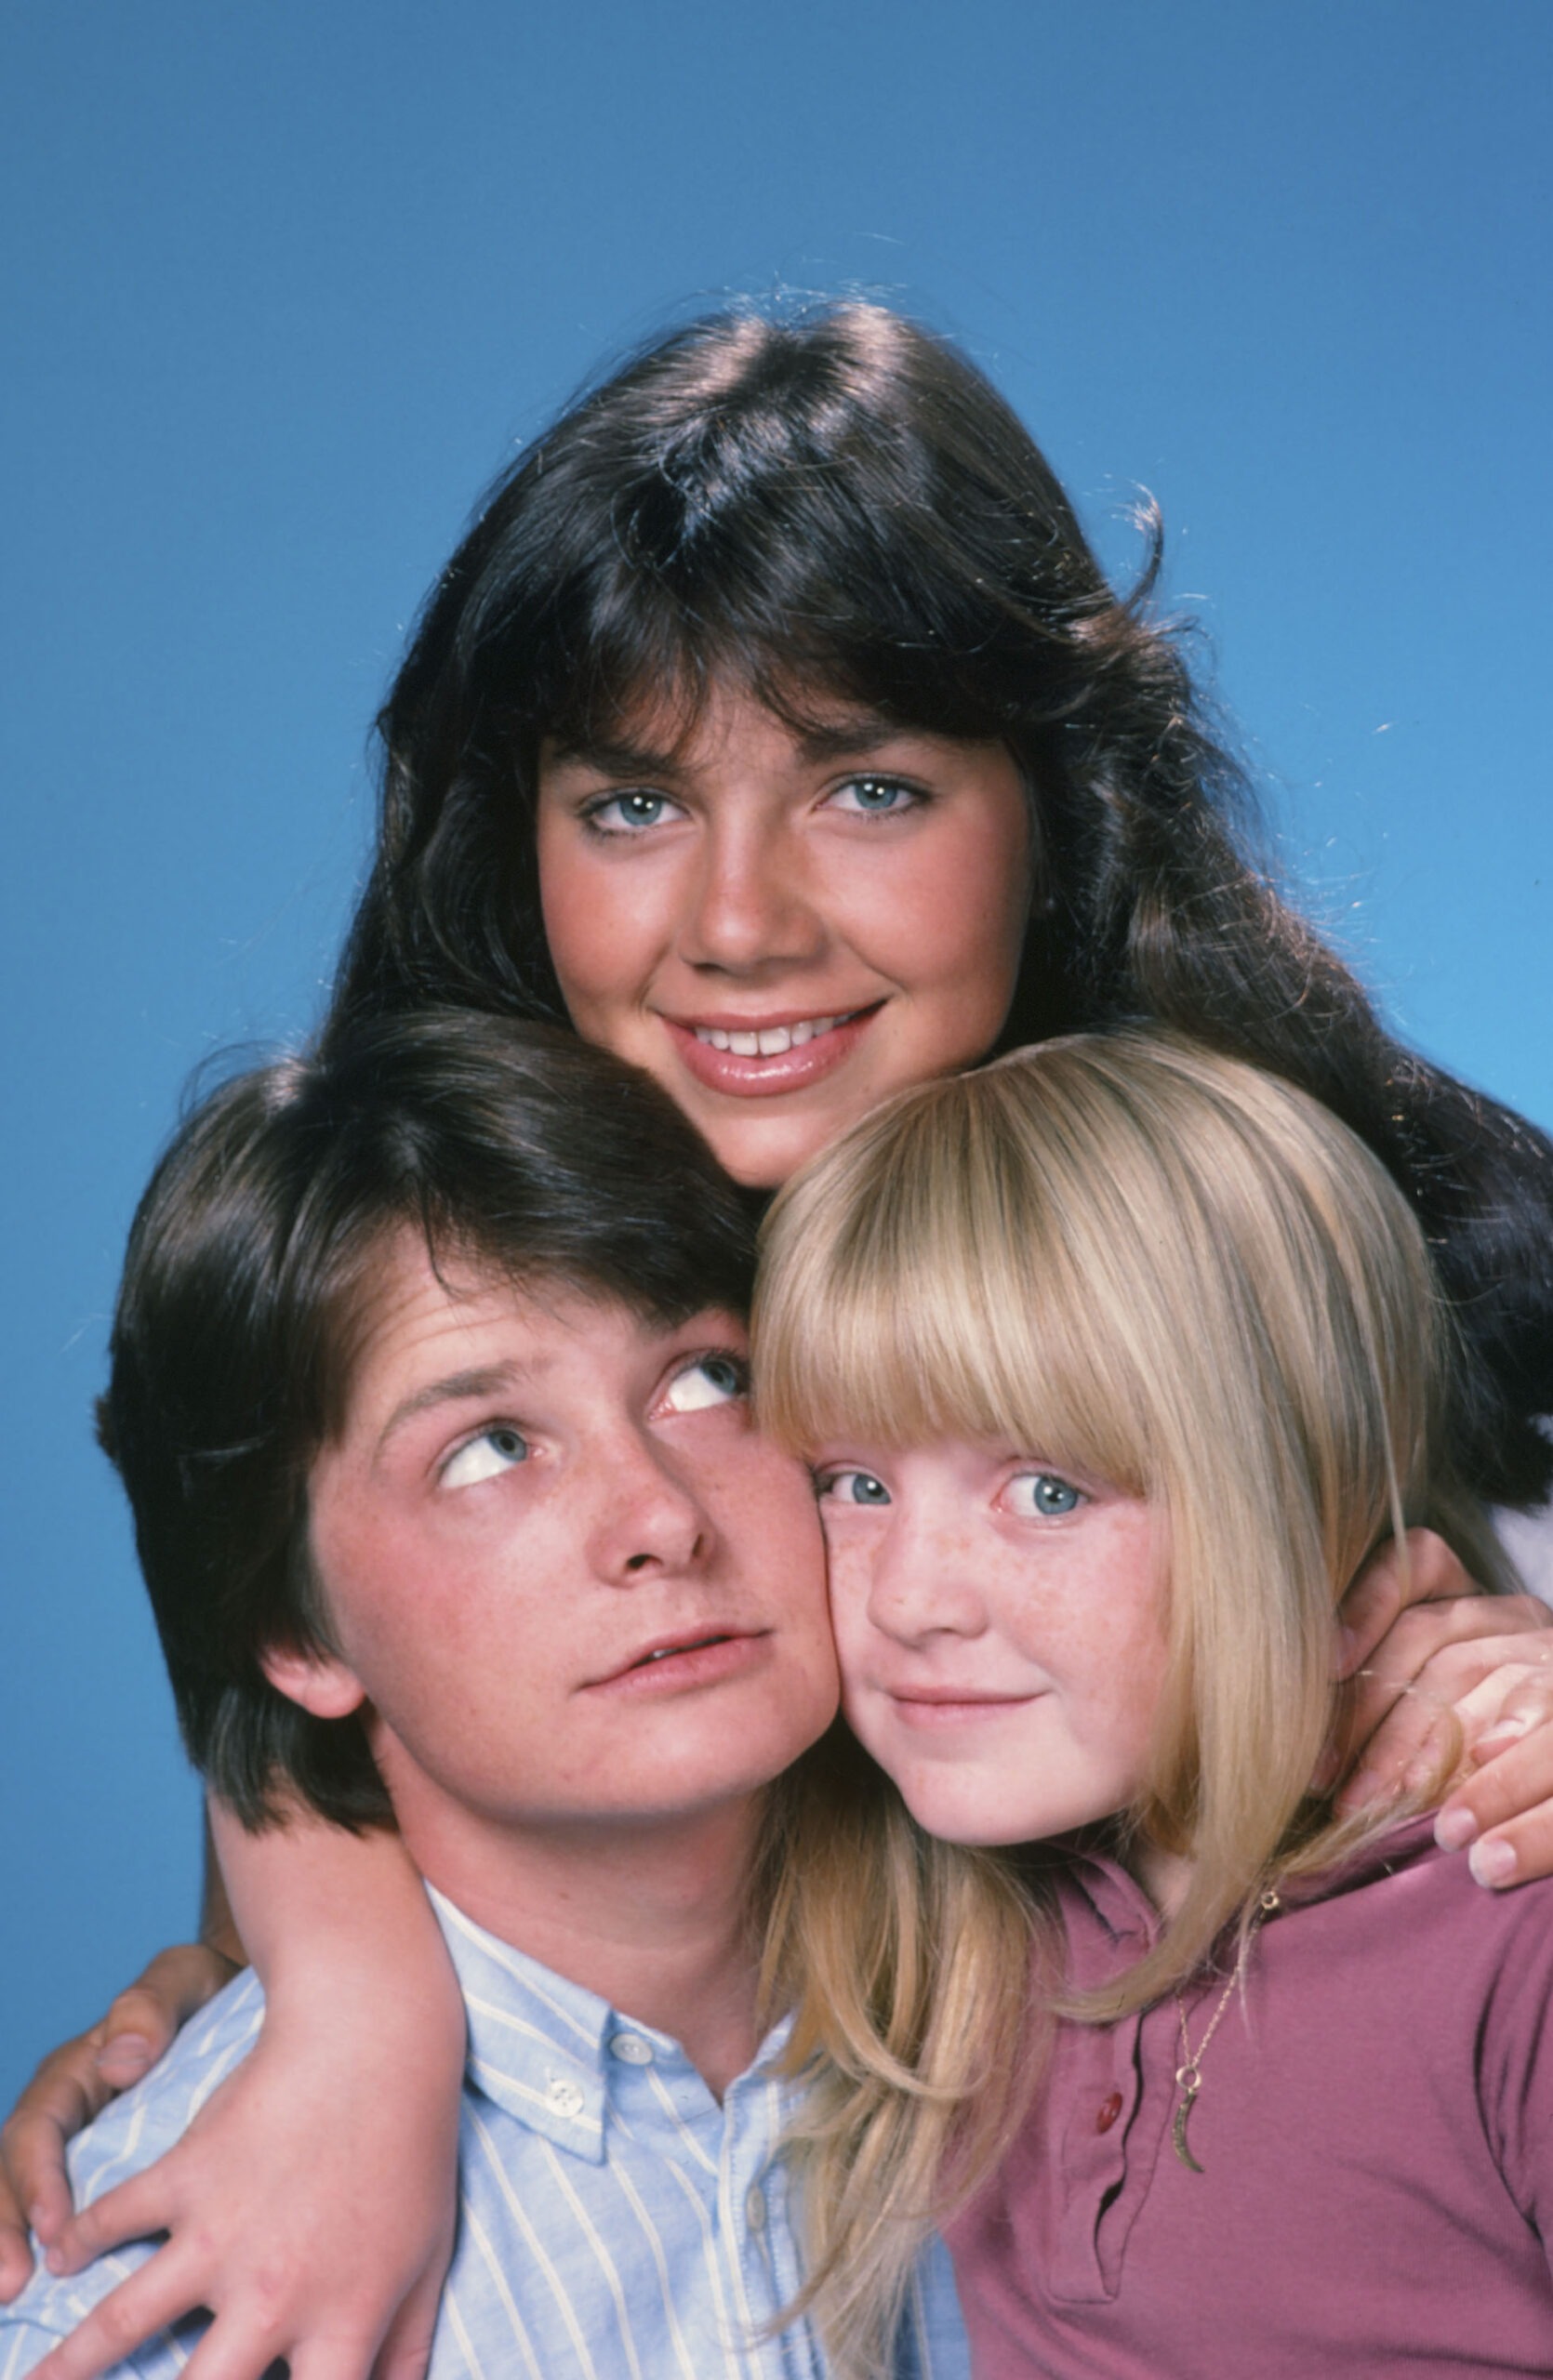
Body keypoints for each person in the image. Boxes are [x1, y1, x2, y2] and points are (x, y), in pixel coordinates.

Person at [6, 300, 1552, 2377]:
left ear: (1056, 806)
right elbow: (284, 1554)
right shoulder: (525, 1192)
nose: (736, 921)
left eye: (868, 787)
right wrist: (342, 2006)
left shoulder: (1360, 1255)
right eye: (631, 805)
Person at [0, 1007, 964, 2380]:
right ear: (294, 1629)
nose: (657, 1518)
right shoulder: (178, 2303)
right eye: (488, 1448)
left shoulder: (1056, 2008)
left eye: (704, 1379)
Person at [754, 1031, 1553, 2376]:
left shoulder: (1508, 1935)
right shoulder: (949, 1901)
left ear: (1313, 1512)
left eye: (1048, 1492)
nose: (907, 1601)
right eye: (853, 1482)